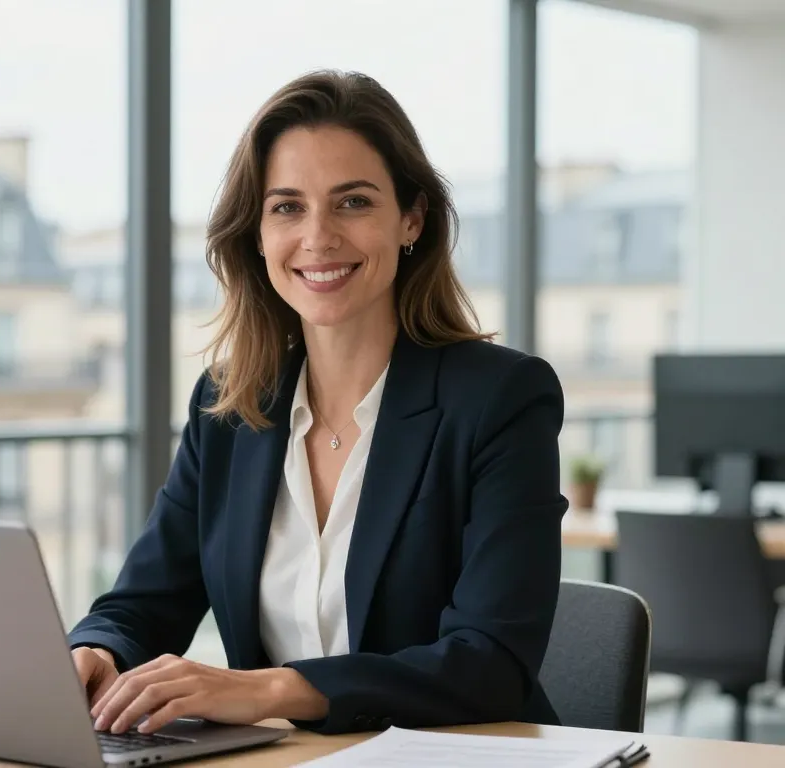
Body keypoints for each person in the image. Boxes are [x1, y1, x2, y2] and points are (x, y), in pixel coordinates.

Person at [67, 69, 568, 737]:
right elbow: (141, 603)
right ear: (257, 233)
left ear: (411, 217)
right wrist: (97, 652)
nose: (318, 236)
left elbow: (491, 664)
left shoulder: (500, 400)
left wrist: (271, 689)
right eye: (287, 206)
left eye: (353, 202)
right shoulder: (229, 406)